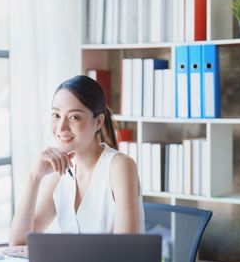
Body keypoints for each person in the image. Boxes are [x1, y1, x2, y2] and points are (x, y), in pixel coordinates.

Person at [8, 75, 144, 248]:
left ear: (98, 122)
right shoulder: (62, 172)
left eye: (74, 117)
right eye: (56, 115)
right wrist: (35, 177)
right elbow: (18, 242)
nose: (61, 127)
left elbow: (126, 250)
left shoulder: (120, 166)